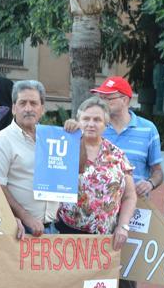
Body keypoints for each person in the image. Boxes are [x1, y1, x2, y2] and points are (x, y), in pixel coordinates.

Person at [87, 75, 163, 288]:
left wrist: (151, 184)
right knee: (91, 271)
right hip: (95, 212)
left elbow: (158, 170)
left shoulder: (148, 129)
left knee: (127, 274)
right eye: (103, 96)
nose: (106, 101)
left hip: (133, 210)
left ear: (126, 99)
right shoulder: (94, 127)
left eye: (111, 96)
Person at [55, 95, 136, 244]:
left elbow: (130, 196)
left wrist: (123, 226)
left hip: (105, 238)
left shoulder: (117, 155)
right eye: (86, 119)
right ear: (79, 121)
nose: (91, 124)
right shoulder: (65, 148)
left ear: (106, 124)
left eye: (97, 120)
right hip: (67, 233)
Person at [0, 80, 58, 236]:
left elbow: (77, 170)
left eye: (34, 103)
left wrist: (76, 135)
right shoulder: (2, 140)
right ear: (14, 108)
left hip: (54, 228)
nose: (28, 108)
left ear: (42, 109)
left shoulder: (54, 138)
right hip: (21, 230)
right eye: (22, 103)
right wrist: (25, 217)